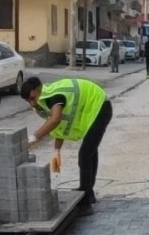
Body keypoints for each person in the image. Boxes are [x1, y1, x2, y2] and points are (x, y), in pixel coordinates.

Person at [23, 76, 112, 211]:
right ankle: (88, 191)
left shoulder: (54, 97)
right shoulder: (45, 101)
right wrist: (56, 151)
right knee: (89, 151)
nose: (31, 103)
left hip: (100, 106)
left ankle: (86, 202)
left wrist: (34, 137)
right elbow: (61, 125)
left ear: (37, 90)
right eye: (28, 101)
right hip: (95, 107)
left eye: (32, 98)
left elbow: (55, 120)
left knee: (85, 154)